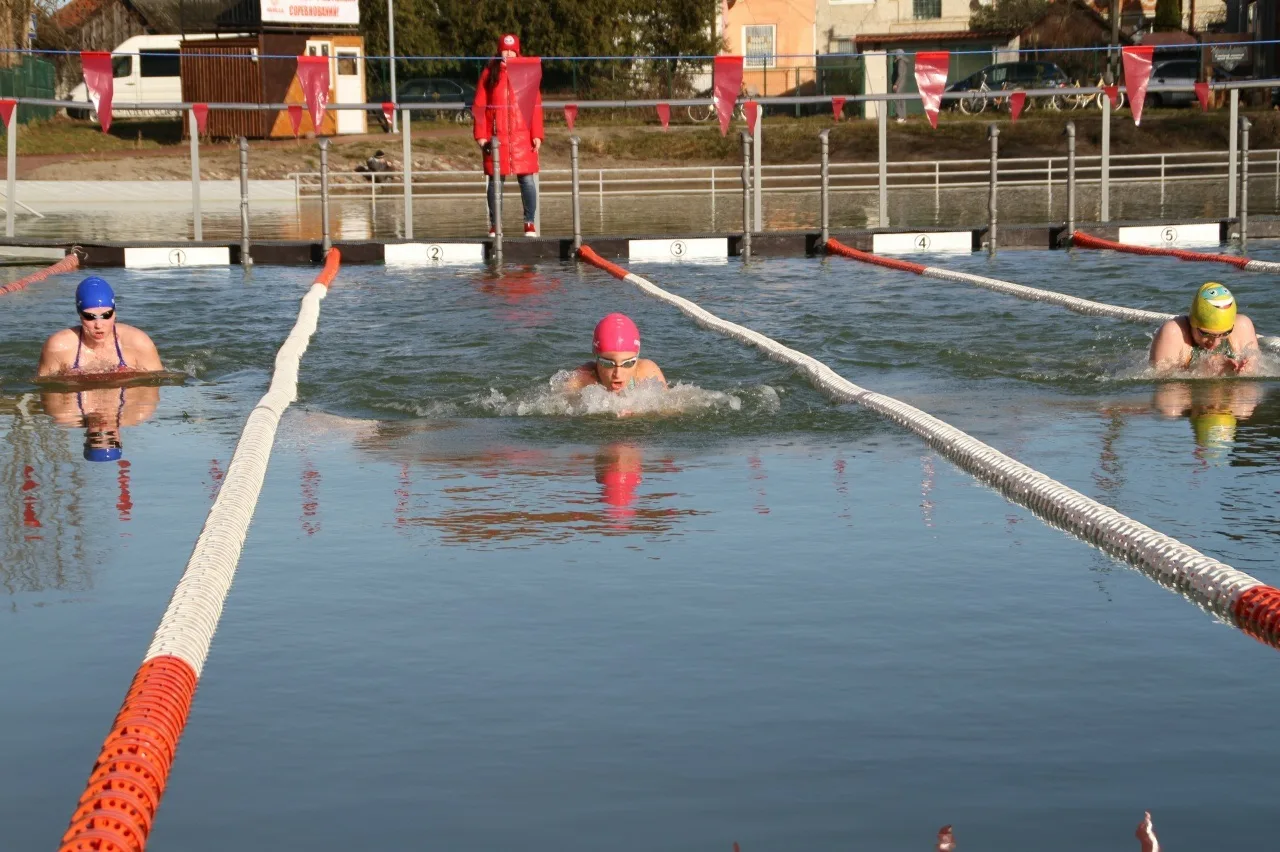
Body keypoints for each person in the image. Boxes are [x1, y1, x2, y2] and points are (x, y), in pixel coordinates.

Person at [472, 33, 544, 238]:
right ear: (499, 51)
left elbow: (535, 106)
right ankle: (495, 225)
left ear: (517, 52)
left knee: (527, 180)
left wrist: (537, 134)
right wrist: (481, 135)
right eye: (505, 50)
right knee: (495, 181)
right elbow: (479, 106)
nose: (508, 54)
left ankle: (529, 223)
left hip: (523, 137)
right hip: (497, 138)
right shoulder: (489, 73)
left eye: (512, 51)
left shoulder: (527, 73)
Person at [37, 277, 162, 377]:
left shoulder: (139, 343)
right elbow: (46, 390)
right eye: (90, 317)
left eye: (106, 315)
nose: (99, 325)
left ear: (115, 313)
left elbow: (153, 389)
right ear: (80, 315)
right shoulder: (58, 347)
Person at [1149, 282, 1260, 375]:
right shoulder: (1173, 333)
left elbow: (1255, 378)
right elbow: (1161, 382)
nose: (1215, 343)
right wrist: (1201, 370)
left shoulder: (1242, 327)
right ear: (1193, 323)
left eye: (1225, 333)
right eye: (1206, 334)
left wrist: (1243, 372)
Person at [564, 313, 666, 393]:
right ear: (596, 356)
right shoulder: (583, 378)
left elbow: (667, 408)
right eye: (608, 363)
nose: (617, 374)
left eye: (628, 363)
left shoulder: (647, 373)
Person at [891, 49, 909, 123]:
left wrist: (896, 84)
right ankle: (903, 117)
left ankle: (900, 117)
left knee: (897, 100)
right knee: (902, 100)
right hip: (903, 83)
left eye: (896, 54)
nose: (895, 55)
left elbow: (900, 74)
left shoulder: (901, 62)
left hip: (900, 84)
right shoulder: (903, 61)